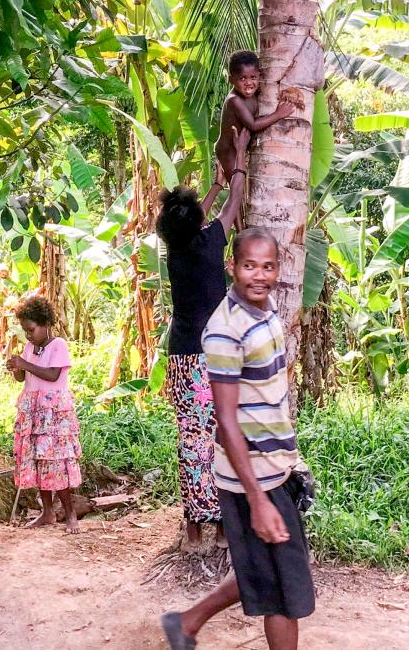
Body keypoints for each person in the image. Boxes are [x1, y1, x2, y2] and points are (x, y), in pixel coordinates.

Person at [161, 228, 315, 650]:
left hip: (274, 469)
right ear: (233, 266)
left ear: (278, 270)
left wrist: (291, 460)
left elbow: (269, 399)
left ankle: (187, 622)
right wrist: (260, 500)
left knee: (262, 572)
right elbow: (226, 422)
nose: (259, 275)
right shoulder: (225, 330)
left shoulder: (265, 315)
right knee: (283, 595)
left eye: (267, 267)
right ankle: (186, 622)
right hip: (252, 479)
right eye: (249, 266)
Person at [157, 126, 251, 550]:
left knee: (191, 439)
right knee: (219, 439)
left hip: (179, 356)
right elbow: (232, 206)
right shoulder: (211, 242)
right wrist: (240, 164)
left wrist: (212, 184)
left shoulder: (176, 251)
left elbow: (199, 219)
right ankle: (220, 527)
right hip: (209, 356)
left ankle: (194, 526)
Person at [6, 295, 83, 534]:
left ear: (45, 324)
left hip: (54, 414)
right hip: (33, 411)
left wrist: (26, 364)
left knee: (57, 462)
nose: (28, 335)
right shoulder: (30, 347)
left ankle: (70, 514)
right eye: (25, 331)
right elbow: (24, 378)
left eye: (31, 329)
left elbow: (52, 375)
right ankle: (47, 512)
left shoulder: (57, 345)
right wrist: (16, 367)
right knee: (39, 461)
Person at [216, 50, 294, 182]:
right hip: (228, 150)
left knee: (246, 183)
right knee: (237, 186)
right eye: (242, 78)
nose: (248, 83)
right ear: (231, 80)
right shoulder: (234, 100)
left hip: (241, 146)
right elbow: (252, 125)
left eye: (253, 77)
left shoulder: (258, 92)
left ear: (260, 75)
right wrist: (278, 114)